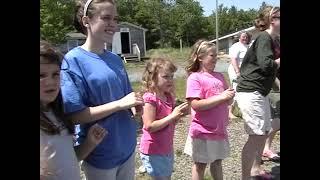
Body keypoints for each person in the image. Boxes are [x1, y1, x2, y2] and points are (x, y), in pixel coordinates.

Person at [60, 0, 144, 179]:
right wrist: (120, 104)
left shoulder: (115, 59)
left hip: (127, 146)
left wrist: (134, 105)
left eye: (115, 18)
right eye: (106, 18)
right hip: (101, 153)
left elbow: (127, 96)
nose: (113, 24)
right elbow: (75, 116)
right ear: (86, 21)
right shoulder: (72, 61)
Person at [40, 40, 107, 180]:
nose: (51, 81)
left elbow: (71, 158)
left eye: (55, 74)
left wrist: (89, 143)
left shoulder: (57, 115)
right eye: (41, 76)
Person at [235, 6, 280, 180]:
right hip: (250, 91)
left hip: (260, 92)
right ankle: (246, 176)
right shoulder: (264, 37)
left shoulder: (274, 39)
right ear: (273, 19)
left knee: (262, 132)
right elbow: (266, 65)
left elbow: (270, 71)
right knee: (256, 136)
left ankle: (255, 169)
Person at [184, 40, 235, 180]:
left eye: (216, 55)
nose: (216, 58)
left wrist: (229, 96)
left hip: (219, 129)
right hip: (202, 130)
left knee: (217, 162)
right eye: (212, 55)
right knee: (200, 164)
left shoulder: (219, 76)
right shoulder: (195, 78)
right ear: (200, 57)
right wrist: (221, 97)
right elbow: (195, 105)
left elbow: (227, 99)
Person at [139, 58, 189, 180]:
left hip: (166, 147)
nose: (170, 80)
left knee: (166, 176)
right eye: (166, 76)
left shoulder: (168, 97)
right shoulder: (150, 99)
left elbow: (170, 122)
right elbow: (149, 126)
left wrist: (178, 116)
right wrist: (172, 116)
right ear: (153, 78)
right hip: (154, 149)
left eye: (172, 76)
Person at [227, 32, 249, 119]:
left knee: (244, 91)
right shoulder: (236, 46)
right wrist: (237, 72)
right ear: (239, 37)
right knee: (236, 90)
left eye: (246, 37)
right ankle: (229, 112)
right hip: (235, 71)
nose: (245, 38)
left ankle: (243, 111)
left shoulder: (247, 46)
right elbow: (233, 59)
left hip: (245, 72)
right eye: (243, 37)